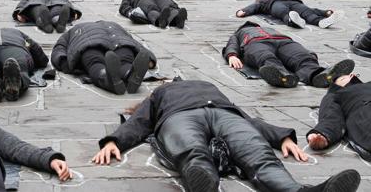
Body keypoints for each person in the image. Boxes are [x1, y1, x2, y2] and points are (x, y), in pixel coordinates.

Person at [93, 79, 361, 192]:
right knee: (192, 151)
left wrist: (281, 138)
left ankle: (299, 191)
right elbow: (140, 121)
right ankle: (204, 182)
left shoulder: (209, 86)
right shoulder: (160, 94)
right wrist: (114, 141)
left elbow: (246, 117)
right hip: (179, 116)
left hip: (223, 113)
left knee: (258, 153)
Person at [223, 21, 355, 88]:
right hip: (255, 43)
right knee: (265, 57)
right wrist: (232, 55)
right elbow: (232, 44)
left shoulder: (269, 28)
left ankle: (317, 75)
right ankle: (282, 76)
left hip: (283, 41)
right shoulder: (240, 32)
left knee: (302, 57)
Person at [51, 20, 157, 95]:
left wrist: (64, 62)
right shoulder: (115, 25)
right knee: (125, 60)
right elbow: (135, 42)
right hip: (119, 42)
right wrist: (150, 59)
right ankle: (130, 73)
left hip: (89, 44)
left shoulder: (75, 29)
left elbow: (59, 47)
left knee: (95, 63)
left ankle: (107, 78)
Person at [307, 73, 371, 162]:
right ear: (336, 85)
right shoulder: (336, 95)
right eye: (343, 78)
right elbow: (331, 114)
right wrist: (325, 133)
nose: (351, 76)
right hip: (365, 113)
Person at [236, 0, 344, 29]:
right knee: (283, 13)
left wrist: (325, 12)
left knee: (306, 11)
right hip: (274, 5)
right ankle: (293, 21)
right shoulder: (262, 1)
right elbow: (253, 7)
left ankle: (320, 21)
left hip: (293, 2)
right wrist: (243, 11)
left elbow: (311, 9)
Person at [13, 0, 82, 33]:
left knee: (38, 11)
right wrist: (74, 11)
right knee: (56, 11)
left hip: (37, 1)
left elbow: (22, 2)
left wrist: (18, 12)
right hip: (56, 2)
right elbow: (67, 1)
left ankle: (45, 24)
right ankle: (58, 22)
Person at [119, 0, 188, 29]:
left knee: (170, 6)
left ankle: (177, 19)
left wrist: (177, 8)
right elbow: (123, 6)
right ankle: (160, 20)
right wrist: (130, 12)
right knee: (151, 8)